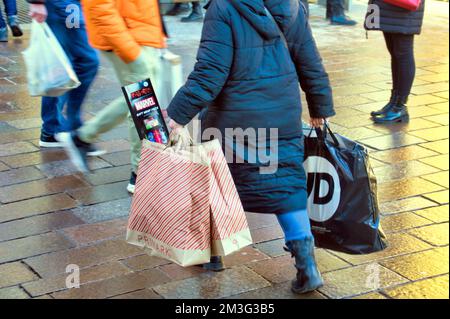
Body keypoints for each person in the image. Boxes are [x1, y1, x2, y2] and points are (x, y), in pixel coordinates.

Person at [167, 0, 335, 293]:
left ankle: (210, 253)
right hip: (280, 117)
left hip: (234, 121)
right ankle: (306, 262)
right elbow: (309, 59)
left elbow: (209, 72)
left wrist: (178, 115)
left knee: (218, 183)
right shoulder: (292, 5)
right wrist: (320, 105)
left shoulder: (223, 8)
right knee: (286, 185)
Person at [57, 0, 166, 194]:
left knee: (143, 99)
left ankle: (82, 136)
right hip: (128, 36)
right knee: (143, 101)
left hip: (141, 33)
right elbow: (99, 6)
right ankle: (142, 172)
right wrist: (130, 50)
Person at [27, 0, 102, 156]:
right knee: (80, 61)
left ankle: (56, 128)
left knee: (71, 62)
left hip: (73, 4)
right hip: (62, 4)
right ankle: (64, 127)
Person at [365, 0, 425, 123]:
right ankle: (393, 102)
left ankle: (399, 106)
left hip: (402, 9)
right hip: (386, 6)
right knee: (395, 53)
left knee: (403, 54)